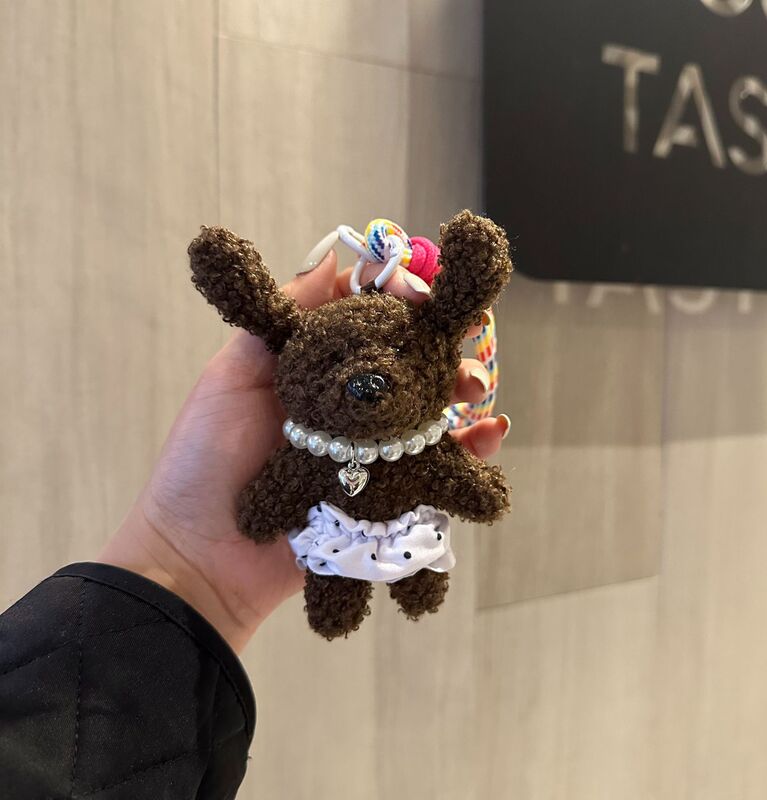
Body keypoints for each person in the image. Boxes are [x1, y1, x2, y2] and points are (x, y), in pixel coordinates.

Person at [0, 245, 510, 799]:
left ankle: (416, 586)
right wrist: (201, 551)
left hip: (400, 528)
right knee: (335, 591)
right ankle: (369, 595)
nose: (365, 380)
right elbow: (267, 502)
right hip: (331, 542)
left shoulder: (422, 452)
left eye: (399, 352)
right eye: (331, 363)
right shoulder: (307, 456)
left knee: (420, 579)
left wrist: (182, 561)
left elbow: (464, 484)